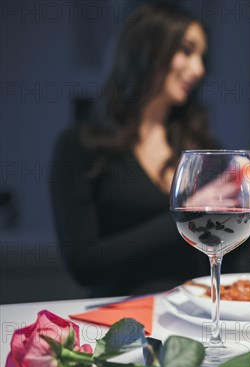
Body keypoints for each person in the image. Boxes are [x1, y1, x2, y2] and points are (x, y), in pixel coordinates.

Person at [50, 3, 218, 296]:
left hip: (195, 316)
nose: (199, 68)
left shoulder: (203, 147)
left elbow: (219, 253)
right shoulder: (80, 146)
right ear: (147, 47)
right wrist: (187, 218)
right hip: (119, 324)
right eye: (187, 51)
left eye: (202, 57)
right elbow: (83, 264)